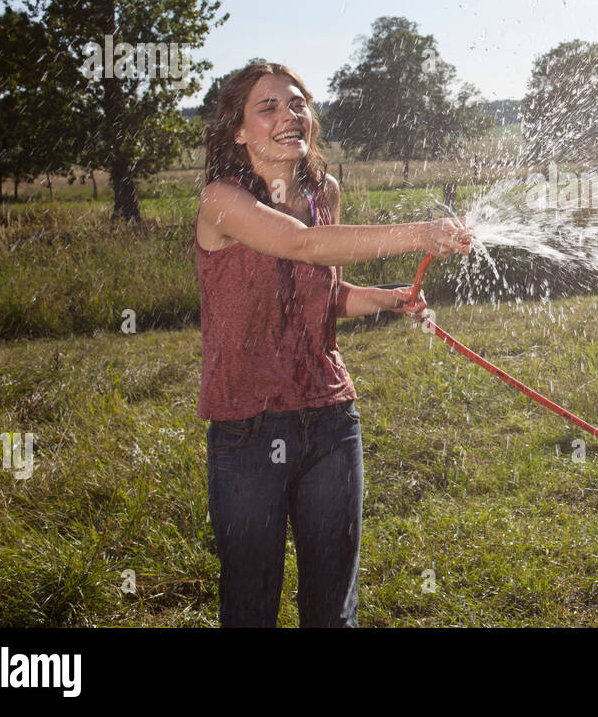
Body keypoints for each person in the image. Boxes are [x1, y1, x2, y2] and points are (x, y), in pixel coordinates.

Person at [194, 60, 472, 627]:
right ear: (239, 130)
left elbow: (325, 289)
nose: (288, 115)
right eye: (267, 106)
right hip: (247, 426)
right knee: (250, 607)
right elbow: (303, 246)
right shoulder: (221, 201)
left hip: (329, 419)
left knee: (332, 609)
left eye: (297, 103)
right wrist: (420, 232)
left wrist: (386, 297)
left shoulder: (326, 192)